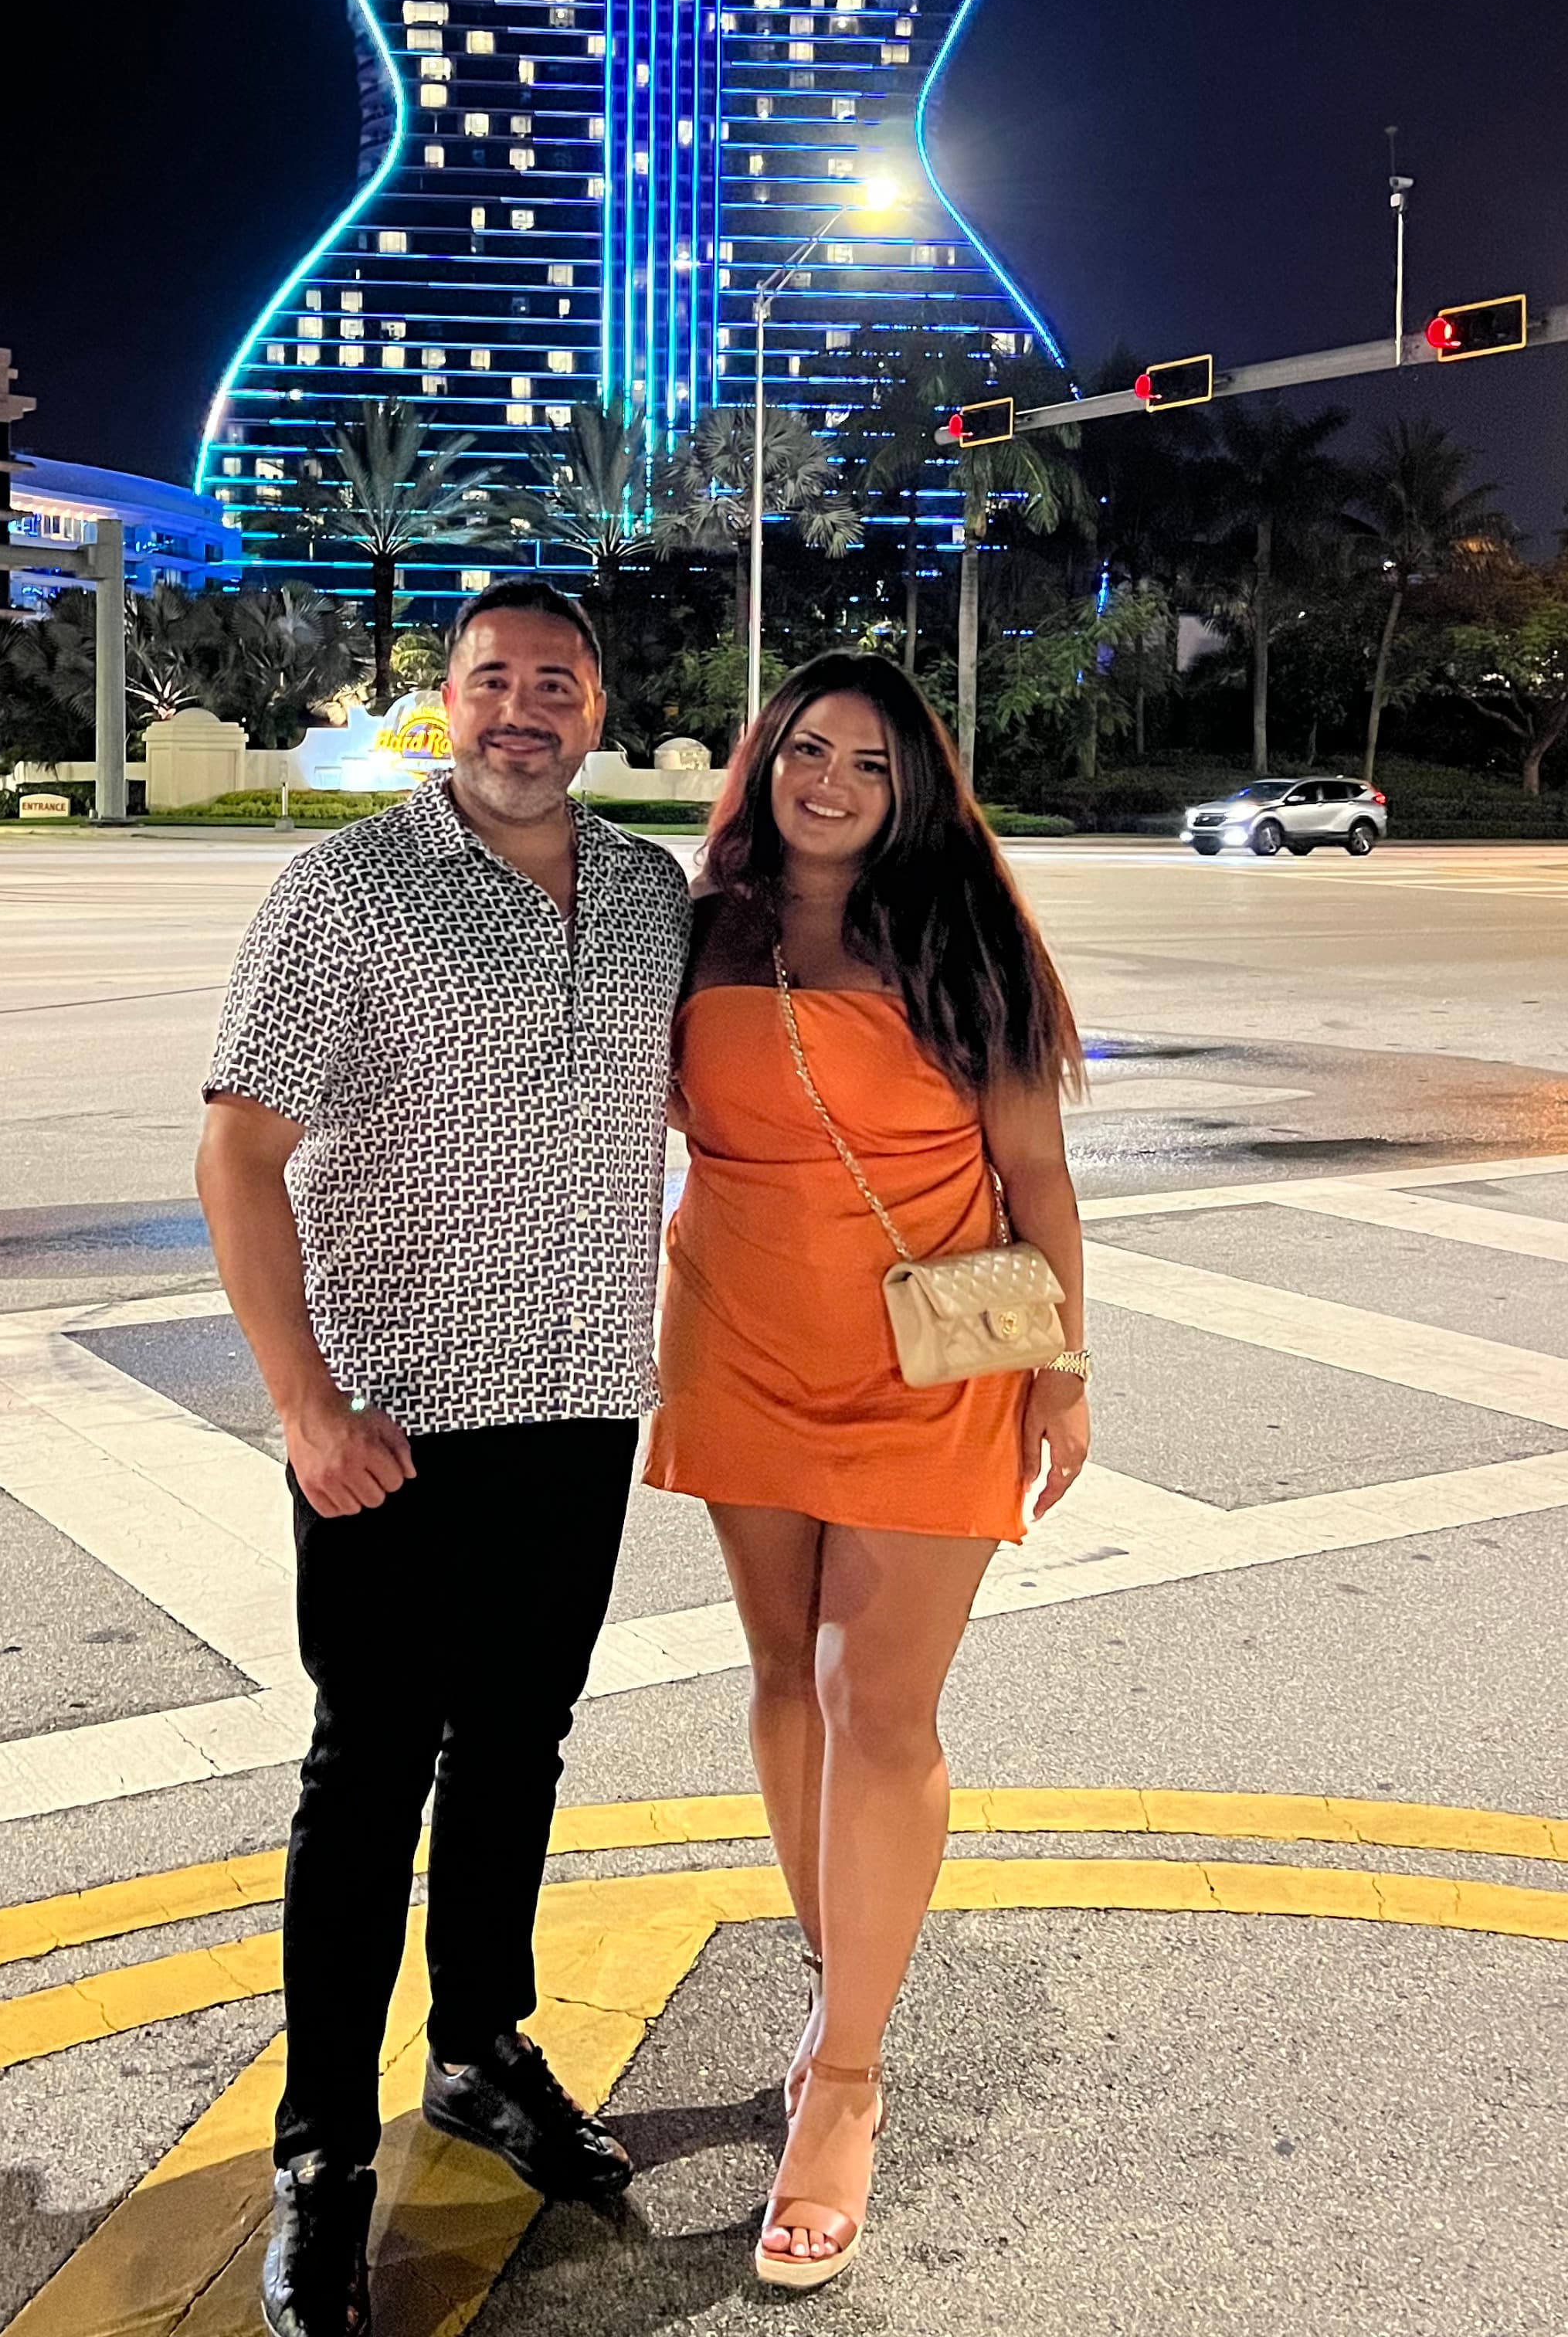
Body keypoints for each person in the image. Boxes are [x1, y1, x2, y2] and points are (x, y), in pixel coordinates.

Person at [195, 578, 691, 2337]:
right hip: (392, 1422)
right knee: (368, 1776)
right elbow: (239, 1158)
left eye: (556, 683)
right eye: (493, 681)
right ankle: (322, 2152)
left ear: (600, 705)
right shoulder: (346, 892)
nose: (523, 712)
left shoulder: (650, 897)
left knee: (522, 1748)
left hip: (578, 1401)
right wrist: (304, 1402)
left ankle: (481, 2049)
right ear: (445, 700)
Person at [643, 650, 1090, 2294]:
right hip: (742, 1336)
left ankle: (846, 2083)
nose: (829, 782)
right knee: (779, 1672)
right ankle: (843, 1973)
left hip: (931, 1358)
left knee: (875, 1703)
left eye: (870, 766)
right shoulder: (700, 930)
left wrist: (1066, 1374)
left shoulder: (965, 940)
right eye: (806, 749)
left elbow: (1038, 1174)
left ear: (916, 796)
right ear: (761, 760)